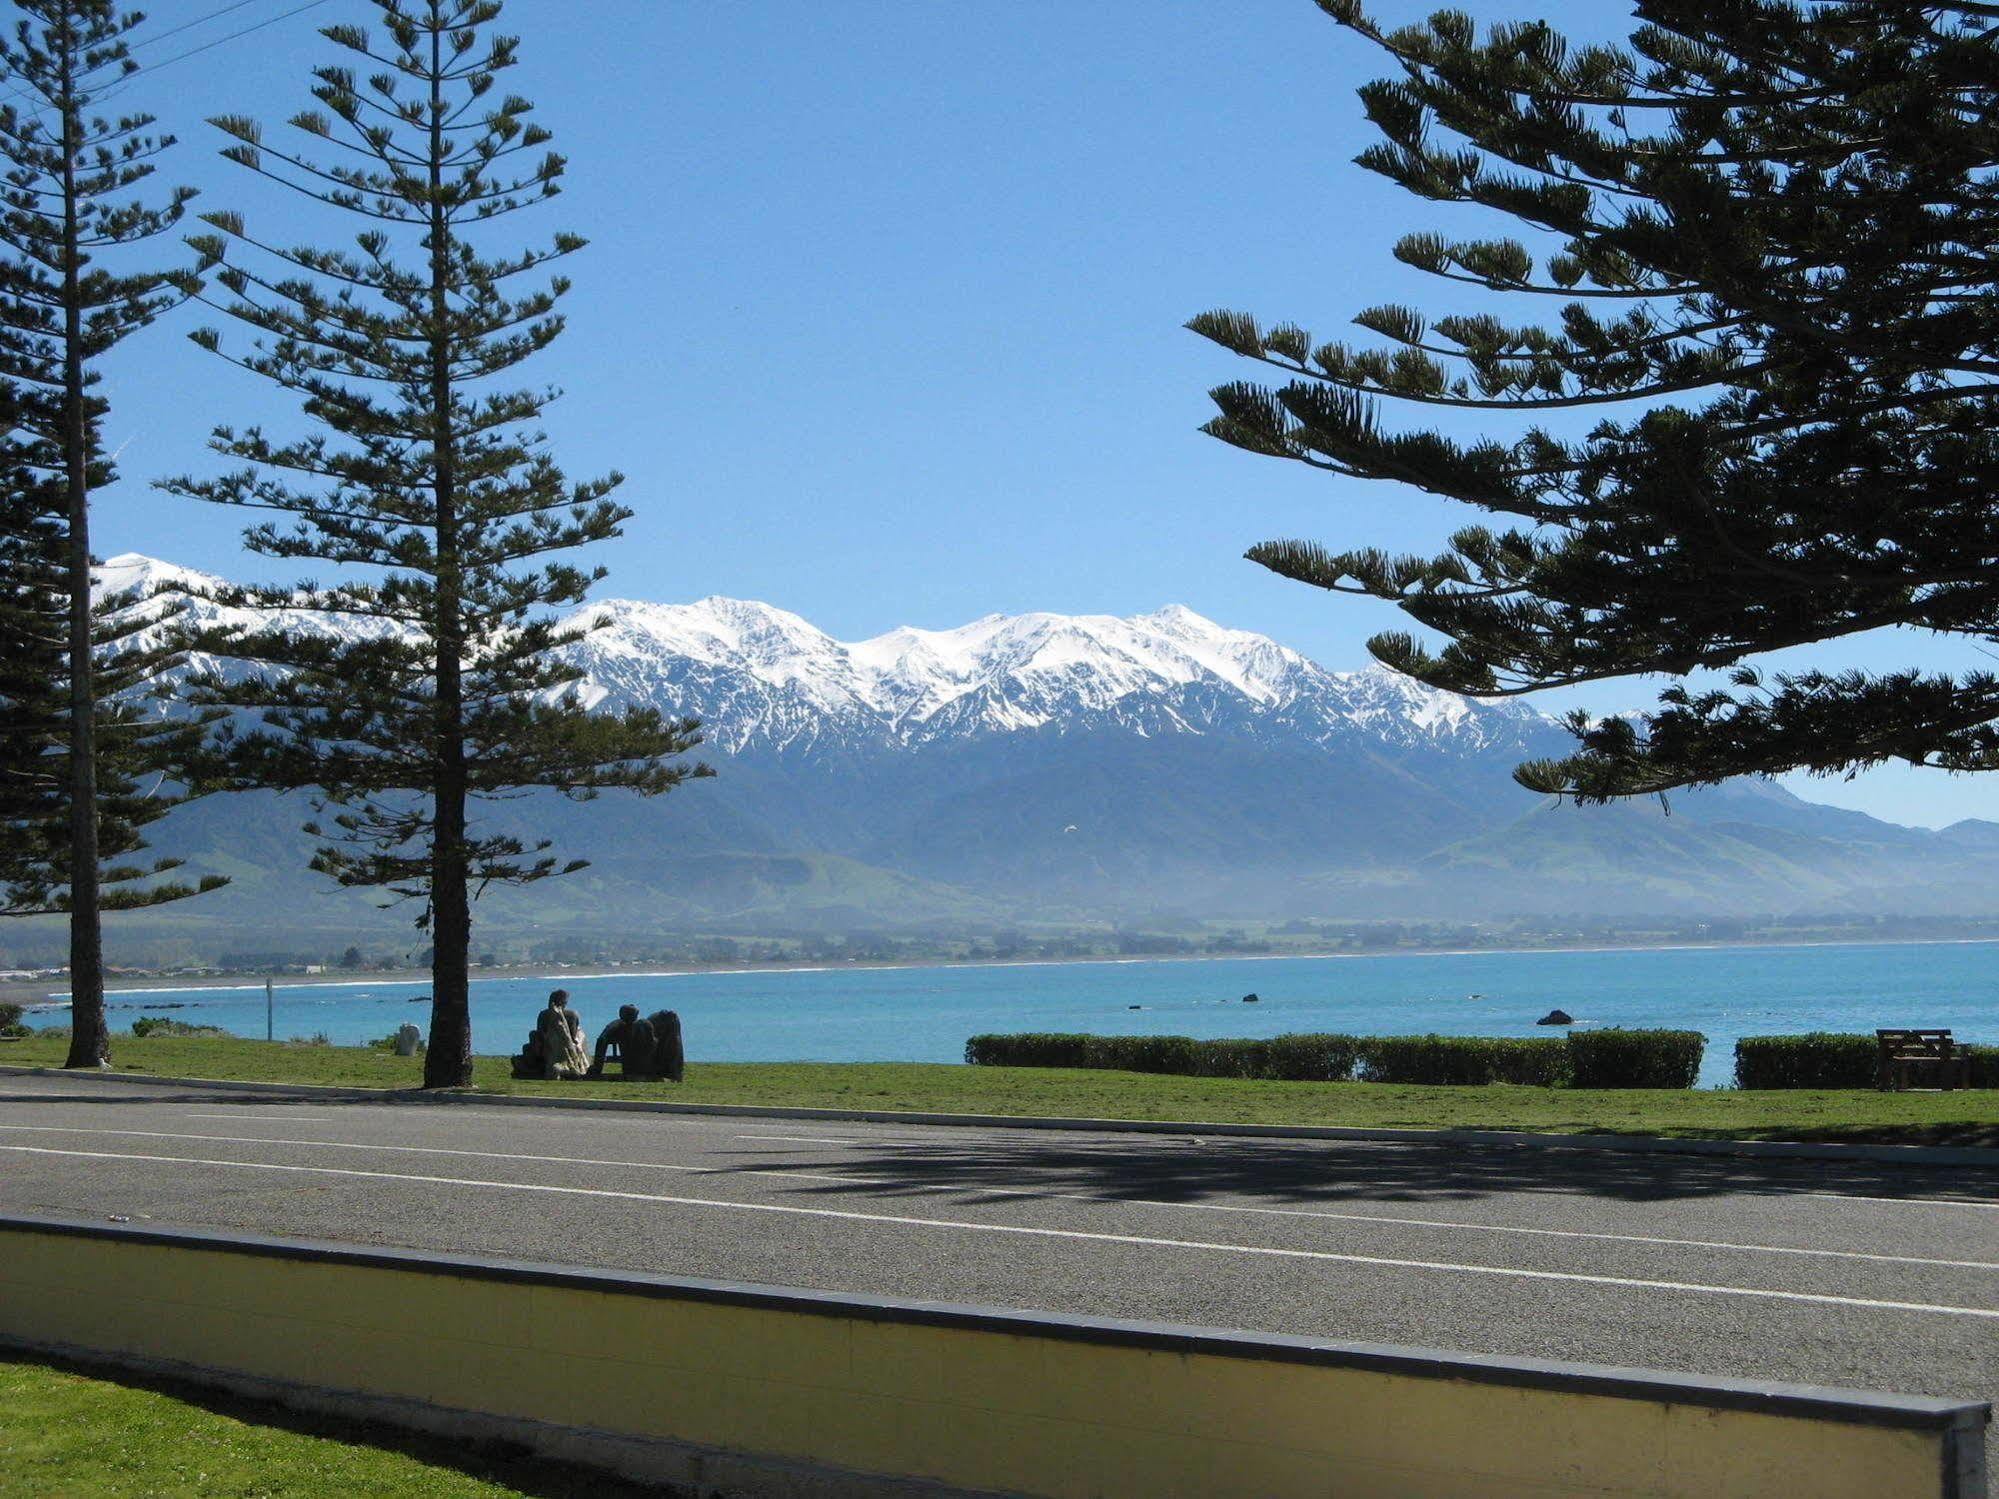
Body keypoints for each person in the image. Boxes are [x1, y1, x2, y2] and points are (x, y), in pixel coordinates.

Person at [591, 1003, 657, 1077]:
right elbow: (653, 1043)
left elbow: (601, 1039)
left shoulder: (619, 1024)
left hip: (630, 1069)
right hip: (646, 1069)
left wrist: (597, 1067)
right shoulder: (646, 1024)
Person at [535, 989, 589, 1079]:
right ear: (562, 1002)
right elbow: (573, 1034)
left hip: (549, 1043)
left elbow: (539, 1030)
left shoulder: (543, 1014)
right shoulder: (572, 1014)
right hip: (562, 1045)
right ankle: (578, 1068)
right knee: (580, 1034)